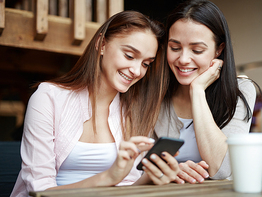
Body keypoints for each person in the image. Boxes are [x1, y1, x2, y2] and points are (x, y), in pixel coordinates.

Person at [11, 10, 179, 197]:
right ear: (101, 44)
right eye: (130, 56)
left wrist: (150, 176)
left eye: (146, 63)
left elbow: (128, 185)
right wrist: (107, 178)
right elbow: (38, 190)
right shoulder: (48, 98)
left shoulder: (133, 110)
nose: (137, 70)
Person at [153, 0, 258, 184]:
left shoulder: (241, 91)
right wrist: (172, 172)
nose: (183, 59)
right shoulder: (153, 92)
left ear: (219, 49)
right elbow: (138, 166)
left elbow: (221, 169)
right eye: (175, 48)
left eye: (197, 50)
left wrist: (198, 90)